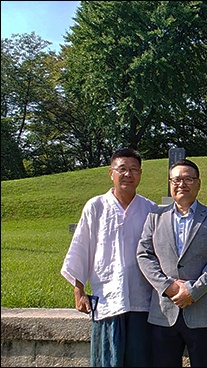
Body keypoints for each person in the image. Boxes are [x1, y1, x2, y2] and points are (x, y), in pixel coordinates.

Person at [60, 147, 159, 367]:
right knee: (107, 360)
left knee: (140, 360)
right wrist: (79, 291)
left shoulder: (151, 209)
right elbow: (80, 249)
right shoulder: (96, 206)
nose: (128, 174)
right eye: (122, 169)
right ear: (111, 173)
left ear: (140, 174)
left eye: (134, 169)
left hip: (141, 300)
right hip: (106, 299)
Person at [136, 158, 207, 367]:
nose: (181, 184)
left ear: (198, 183)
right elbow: (144, 254)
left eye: (188, 179)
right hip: (163, 312)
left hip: (200, 310)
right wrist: (167, 286)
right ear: (170, 183)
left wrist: (193, 291)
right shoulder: (155, 217)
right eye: (176, 180)